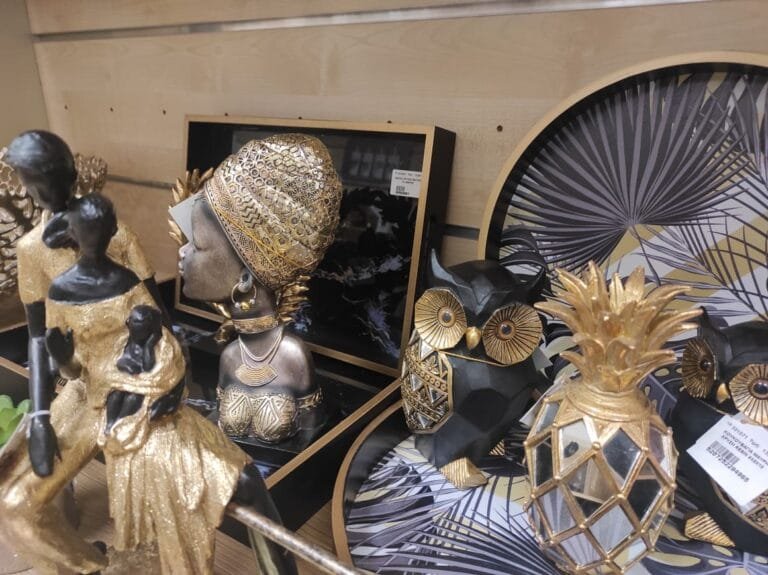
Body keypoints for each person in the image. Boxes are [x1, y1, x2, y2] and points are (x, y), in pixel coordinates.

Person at [178, 134, 342, 443]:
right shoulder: (230, 356)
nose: (182, 252)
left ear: (246, 277)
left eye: (197, 244)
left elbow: (310, 436)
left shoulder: (293, 357)